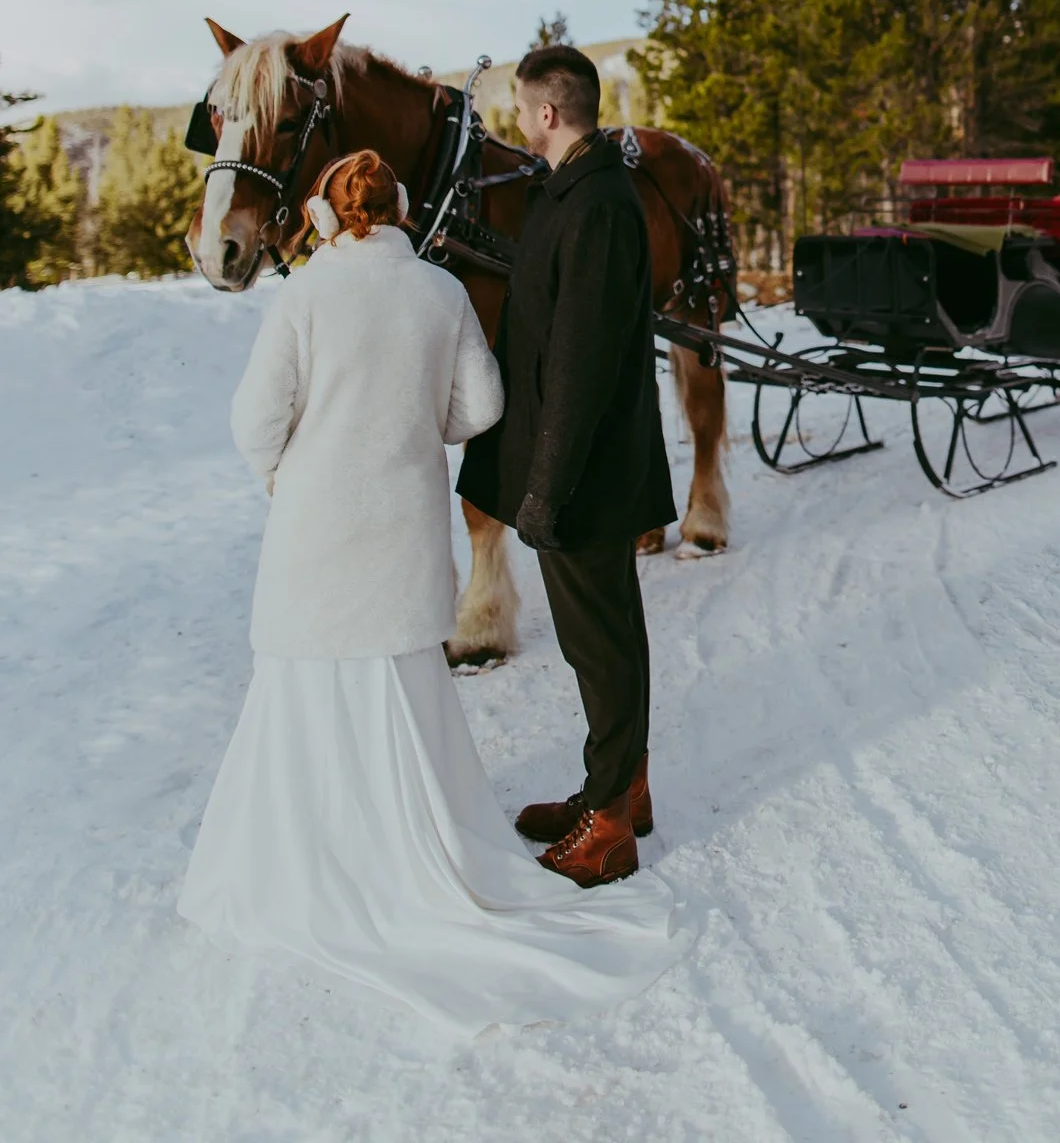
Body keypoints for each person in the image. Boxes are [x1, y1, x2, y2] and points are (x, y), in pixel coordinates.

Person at [178, 149, 688, 1037]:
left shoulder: (304, 294)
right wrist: (418, 424)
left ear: (325, 216)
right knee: (403, 679)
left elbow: (254, 418)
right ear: (405, 209)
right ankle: (420, 839)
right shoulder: (440, 293)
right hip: (401, 528)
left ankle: (317, 845)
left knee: (306, 678)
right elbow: (478, 411)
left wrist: (278, 473)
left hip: (314, 533)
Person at [459, 46, 676, 889]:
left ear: (548, 113)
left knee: (600, 642)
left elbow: (580, 363)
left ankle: (610, 825)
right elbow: (546, 286)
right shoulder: (574, 190)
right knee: (605, 634)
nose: (516, 121)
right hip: (579, 465)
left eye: (521, 108)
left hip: (585, 471)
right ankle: (619, 786)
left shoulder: (596, 205)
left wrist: (546, 488)